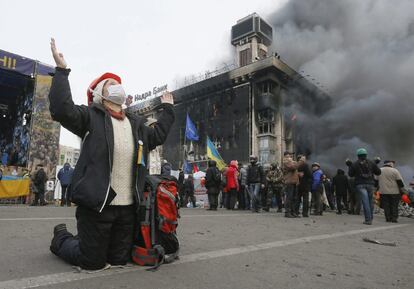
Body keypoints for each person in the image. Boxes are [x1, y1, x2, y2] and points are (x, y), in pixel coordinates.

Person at [48, 38, 175, 270]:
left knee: (118, 260)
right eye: (109, 83)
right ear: (100, 94)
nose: (116, 85)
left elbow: (156, 137)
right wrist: (62, 71)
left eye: (118, 82)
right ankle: (61, 238)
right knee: (92, 262)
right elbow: (61, 110)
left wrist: (167, 109)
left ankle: (88, 242)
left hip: (127, 208)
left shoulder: (135, 124)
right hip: (97, 205)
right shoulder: (91, 117)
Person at [346, 148, 381, 225]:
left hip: (360, 185)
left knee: (365, 202)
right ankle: (370, 218)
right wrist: (375, 164)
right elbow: (378, 172)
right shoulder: (371, 163)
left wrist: (349, 165)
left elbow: (350, 174)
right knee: (370, 201)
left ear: (358, 155)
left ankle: (368, 220)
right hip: (370, 184)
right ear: (366, 155)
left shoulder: (354, 164)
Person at [282, 152, 299, 218]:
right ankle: (287, 212)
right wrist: (300, 161)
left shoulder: (291, 162)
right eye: (288, 156)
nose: (290, 157)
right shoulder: (286, 162)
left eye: (290, 156)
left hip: (293, 182)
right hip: (289, 182)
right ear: (285, 156)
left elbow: (295, 170)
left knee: (294, 198)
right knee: (289, 197)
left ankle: (293, 212)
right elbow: (293, 167)